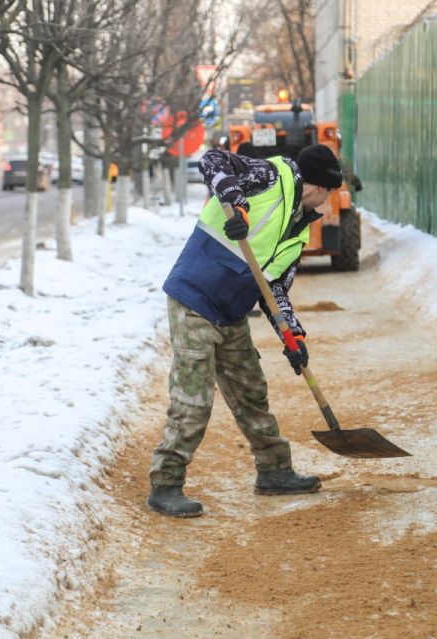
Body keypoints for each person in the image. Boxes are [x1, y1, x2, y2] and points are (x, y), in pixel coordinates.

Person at [147, 143, 344, 518]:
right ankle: (166, 484)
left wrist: (294, 337)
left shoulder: (298, 232)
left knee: (251, 391)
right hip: (195, 299)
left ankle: (274, 471)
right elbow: (212, 159)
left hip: (230, 312)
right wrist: (236, 204)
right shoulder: (272, 177)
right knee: (194, 398)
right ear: (319, 187)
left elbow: (275, 292)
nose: (328, 203)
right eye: (330, 194)